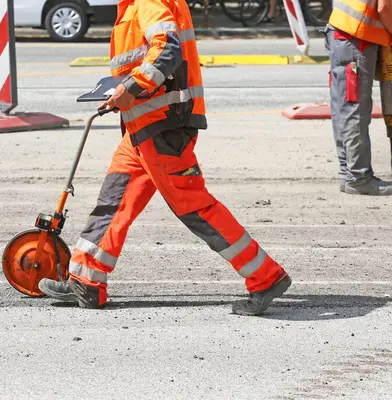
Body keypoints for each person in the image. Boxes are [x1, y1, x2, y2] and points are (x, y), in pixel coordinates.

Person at [38, 0, 291, 316]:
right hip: (143, 127)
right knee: (115, 200)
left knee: (195, 207)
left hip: (163, 126)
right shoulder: (134, 6)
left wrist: (132, 85)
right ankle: (86, 279)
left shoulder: (149, 3)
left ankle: (265, 276)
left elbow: (168, 50)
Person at [323, 0, 392, 195]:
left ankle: (348, 173)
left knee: (343, 107)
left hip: (341, 33)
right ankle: (359, 176)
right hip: (356, 39)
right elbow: (384, 9)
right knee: (355, 110)